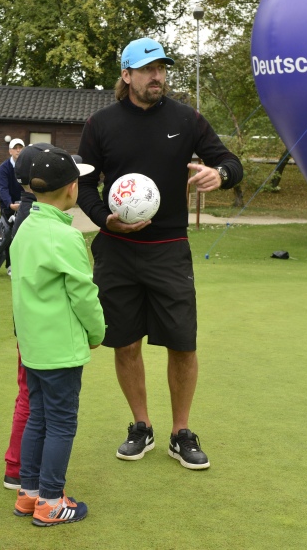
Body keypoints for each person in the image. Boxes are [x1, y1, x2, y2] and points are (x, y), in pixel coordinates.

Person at [76, 37, 243, 470]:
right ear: (127, 75)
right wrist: (105, 220)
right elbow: (85, 185)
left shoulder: (186, 119)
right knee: (125, 342)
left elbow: (229, 161)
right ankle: (141, 426)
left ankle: (181, 433)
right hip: (117, 249)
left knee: (183, 344)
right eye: (148, 69)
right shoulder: (101, 124)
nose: (158, 76)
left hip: (169, 249)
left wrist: (220, 174)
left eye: (162, 68)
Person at [9, 146, 104, 526]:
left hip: (33, 346)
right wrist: (97, 332)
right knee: (62, 422)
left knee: (39, 418)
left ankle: (29, 494)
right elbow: (84, 295)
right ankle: (50, 501)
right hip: (60, 349)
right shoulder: (66, 237)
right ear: (71, 188)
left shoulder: (25, 228)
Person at [0, 142, 51, 490]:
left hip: (31, 324)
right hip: (38, 326)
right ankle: (18, 467)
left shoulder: (32, 213)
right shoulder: (34, 219)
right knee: (31, 396)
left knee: (30, 395)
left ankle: (20, 465)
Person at [0, 138, 24, 220]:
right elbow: (3, 188)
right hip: (8, 205)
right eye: (15, 148)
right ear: (10, 151)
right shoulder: (4, 167)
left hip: (24, 204)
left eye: (20, 148)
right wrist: (10, 204)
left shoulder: (28, 166)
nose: (18, 150)